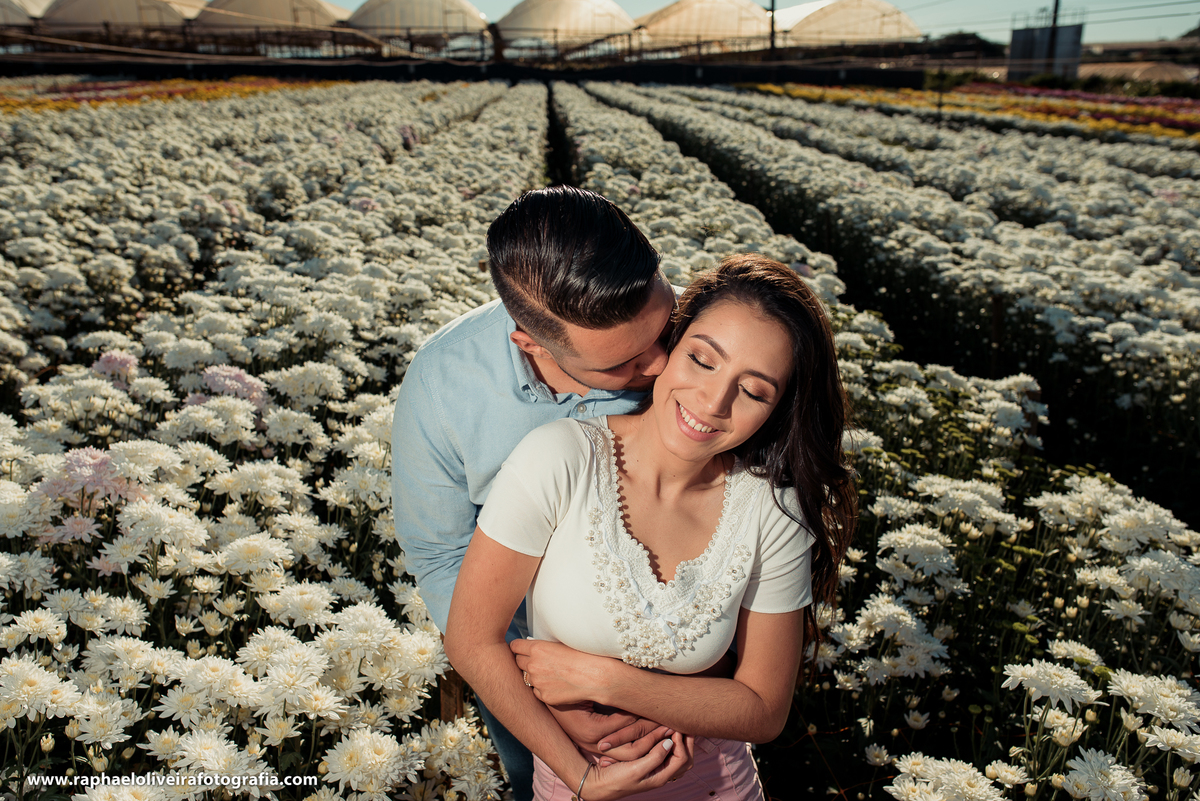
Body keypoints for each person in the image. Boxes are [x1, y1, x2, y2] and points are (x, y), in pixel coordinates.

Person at [444, 255, 859, 800]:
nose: (713, 402)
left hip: (720, 788)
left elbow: (762, 711)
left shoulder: (773, 510)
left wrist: (606, 681)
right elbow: (472, 640)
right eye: (702, 359)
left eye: (754, 391)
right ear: (670, 344)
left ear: (779, 409)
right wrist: (582, 778)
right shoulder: (559, 459)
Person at [391, 186, 690, 800]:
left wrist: (674, 690)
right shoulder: (444, 384)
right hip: (529, 668)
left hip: (687, 654)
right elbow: (441, 557)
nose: (662, 364)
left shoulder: (703, 336)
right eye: (622, 365)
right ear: (528, 341)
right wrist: (544, 704)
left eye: (664, 326)